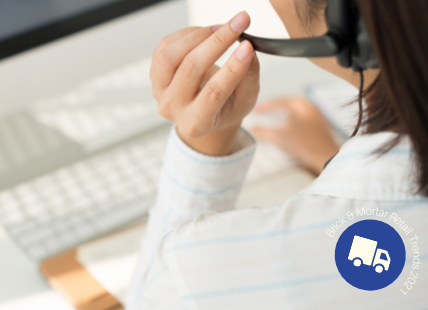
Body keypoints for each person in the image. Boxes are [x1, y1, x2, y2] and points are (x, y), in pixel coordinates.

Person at [126, 1, 428, 309]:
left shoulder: (201, 274)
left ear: (344, 18)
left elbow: (154, 296)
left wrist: (203, 145)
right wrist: (327, 154)